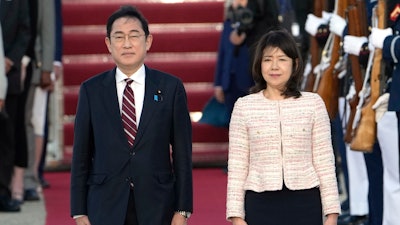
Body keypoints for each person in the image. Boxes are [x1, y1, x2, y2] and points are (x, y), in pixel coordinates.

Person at [70, 5, 193, 225]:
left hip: (158, 205)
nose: (126, 43)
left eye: (134, 36)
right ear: (108, 44)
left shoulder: (170, 87)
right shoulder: (91, 90)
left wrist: (182, 209)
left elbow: (183, 154)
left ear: (148, 41)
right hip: (105, 205)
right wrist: (79, 212)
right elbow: (81, 155)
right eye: (119, 37)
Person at [226, 28, 341, 225]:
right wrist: (236, 216)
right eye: (268, 59)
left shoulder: (313, 104)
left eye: (282, 59)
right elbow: (237, 166)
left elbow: (324, 161)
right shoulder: (244, 106)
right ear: (259, 64)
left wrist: (332, 213)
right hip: (259, 202)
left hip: (306, 202)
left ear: (295, 64)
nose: (274, 66)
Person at [0, 0, 31, 212]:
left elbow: (25, 31)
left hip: (7, 76)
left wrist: (10, 60)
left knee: (6, 138)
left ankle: (3, 192)